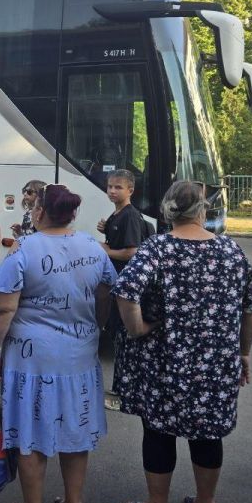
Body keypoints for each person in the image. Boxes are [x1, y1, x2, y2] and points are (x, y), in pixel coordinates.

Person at [112, 180, 252, 503]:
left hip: (164, 362)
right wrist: (242, 353)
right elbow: (251, 308)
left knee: (159, 432)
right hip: (215, 364)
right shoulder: (230, 250)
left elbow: (126, 293)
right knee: (208, 433)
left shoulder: (157, 249)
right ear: (203, 211)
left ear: (167, 211)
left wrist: (138, 329)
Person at [0, 183, 116, 503]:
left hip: (32, 360)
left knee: (31, 432)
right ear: (73, 213)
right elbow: (106, 293)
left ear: (39, 212)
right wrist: (96, 327)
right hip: (79, 356)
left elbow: (3, 309)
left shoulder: (22, 251)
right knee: (75, 427)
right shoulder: (92, 247)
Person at [96, 169, 153, 410]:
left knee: (124, 338)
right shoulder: (117, 215)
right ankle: (120, 388)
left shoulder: (129, 216)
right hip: (117, 283)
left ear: (130, 190)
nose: (112, 190)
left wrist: (107, 251)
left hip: (125, 285)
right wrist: (105, 230)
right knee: (118, 336)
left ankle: (123, 392)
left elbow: (132, 251)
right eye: (110, 186)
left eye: (118, 187)